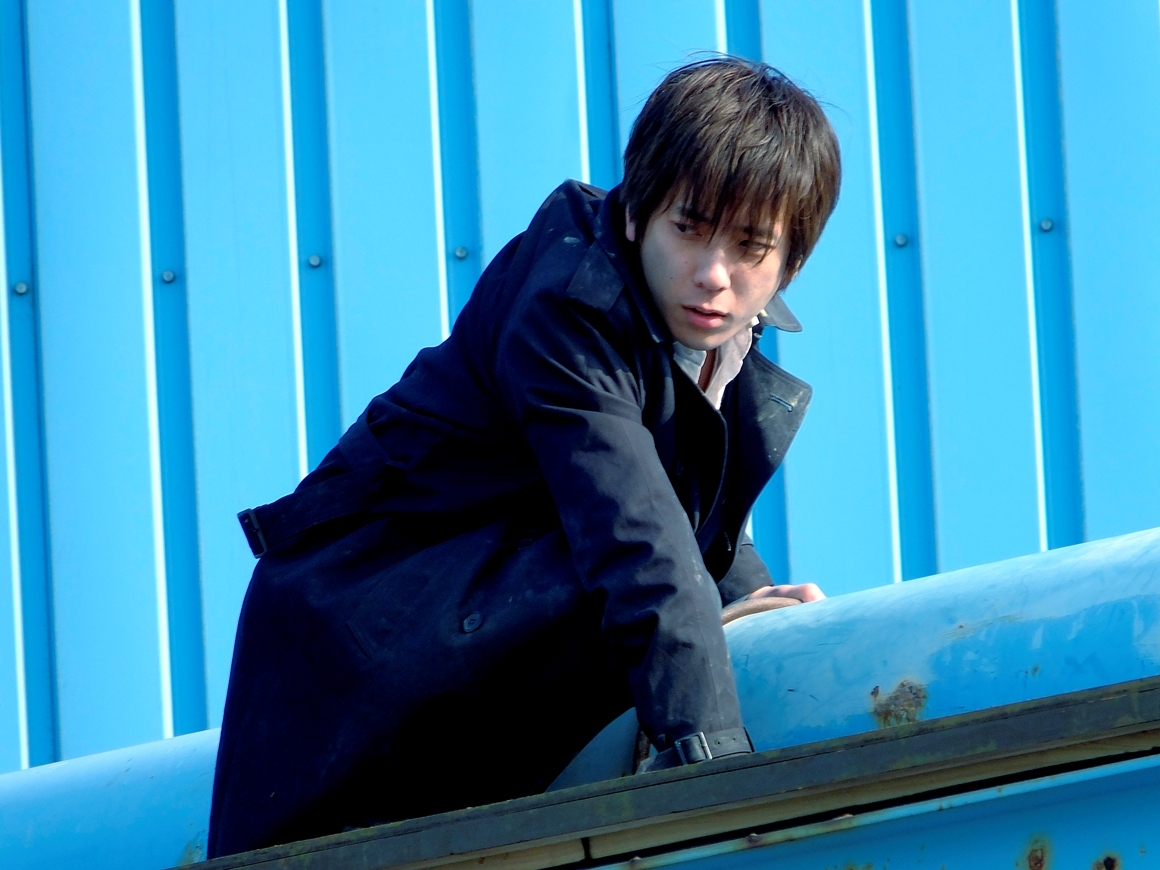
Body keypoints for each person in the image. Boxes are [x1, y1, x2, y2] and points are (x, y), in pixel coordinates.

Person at [208, 56, 841, 858]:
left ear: (789, 264)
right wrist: (718, 773)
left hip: (477, 608)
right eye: (689, 228)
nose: (714, 275)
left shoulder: (717, 339)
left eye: (750, 247)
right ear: (638, 214)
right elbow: (638, 535)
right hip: (362, 632)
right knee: (628, 594)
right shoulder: (567, 303)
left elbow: (698, 524)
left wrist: (759, 615)